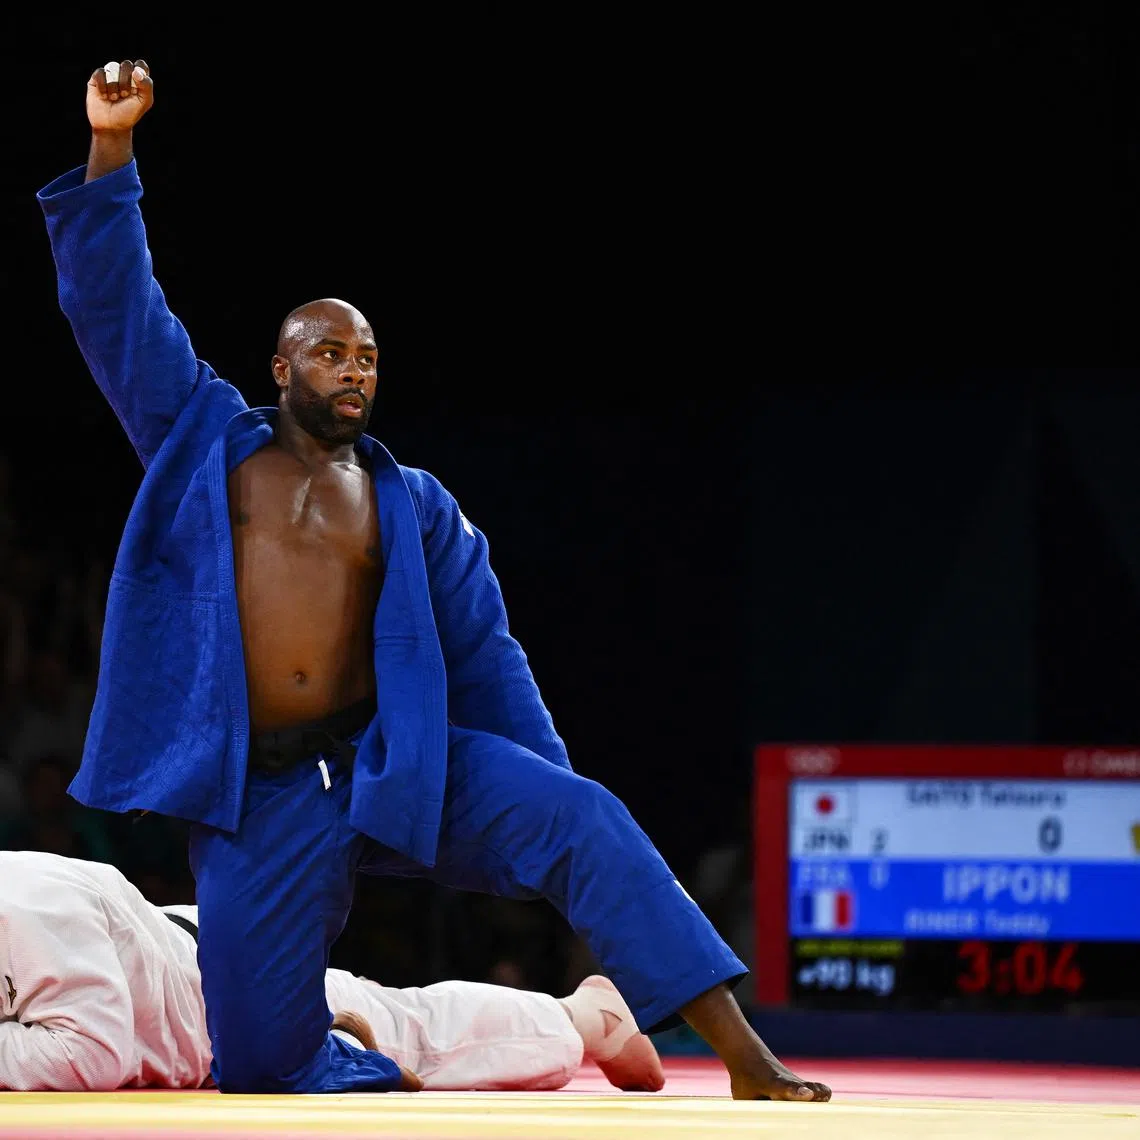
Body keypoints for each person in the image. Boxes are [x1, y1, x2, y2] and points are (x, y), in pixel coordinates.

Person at [36, 58, 831, 1102]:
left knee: (583, 814)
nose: (354, 370)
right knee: (259, 1069)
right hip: (261, 793)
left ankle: (744, 1054)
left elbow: (491, 662)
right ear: (281, 370)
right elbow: (116, 311)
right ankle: (383, 1047)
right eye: (329, 354)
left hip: (389, 764)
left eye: (366, 356)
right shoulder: (203, 446)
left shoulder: (414, 507)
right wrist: (112, 146)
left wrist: (543, 804)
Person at [0, 850, 664, 1093]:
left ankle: (583, 1017)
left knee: (410, 1032)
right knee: (388, 1016)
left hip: (215, 985)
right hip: (171, 958)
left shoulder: (28, 905)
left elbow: (92, 1052)